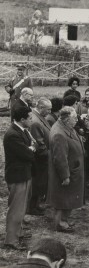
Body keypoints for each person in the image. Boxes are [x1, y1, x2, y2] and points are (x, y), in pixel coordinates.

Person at [3, 106, 37, 250]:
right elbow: (28, 154)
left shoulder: (22, 131)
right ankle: (11, 240)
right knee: (16, 209)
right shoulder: (13, 135)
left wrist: (31, 148)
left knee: (21, 207)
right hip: (18, 176)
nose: (32, 120)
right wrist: (31, 149)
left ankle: (18, 232)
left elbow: (33, 145)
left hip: (24, 174)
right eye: (30, 118)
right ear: (22, 119)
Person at [48, 106, 84, 233]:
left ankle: (63, 221)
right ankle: (60, 223)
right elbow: (60, 158)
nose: (77, 120)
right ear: (66, 119)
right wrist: (65, 176)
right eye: (74, 118)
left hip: (72, 169)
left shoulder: (65, 127)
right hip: (67, 172)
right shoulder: (59, 133)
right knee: (63, 199)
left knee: (67, 198)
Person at [28, 98, 52, 216]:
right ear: (41, 108)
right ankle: (31, 207)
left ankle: (35, 204)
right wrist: (48, 154)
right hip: (39, 159)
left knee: (39, 182)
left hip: (41, 158)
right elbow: (39, 142)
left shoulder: (38, 117)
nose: (50, 112)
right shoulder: (36, 121)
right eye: (48, 109)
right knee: (37, 182)